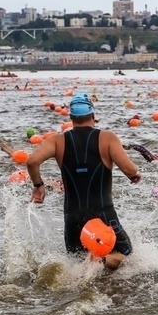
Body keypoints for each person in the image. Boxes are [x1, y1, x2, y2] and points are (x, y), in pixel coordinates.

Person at [26, 93, 142, 269]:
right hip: (103, 215)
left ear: (71, 117)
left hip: (72, 218)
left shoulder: (58, 141)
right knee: (127, 256)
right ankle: (102, 261)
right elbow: (129, 169)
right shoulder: (107, 138)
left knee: (77, 265)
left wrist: (38, 186)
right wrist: (135, 175)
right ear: (93, 116)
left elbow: (32, 161)